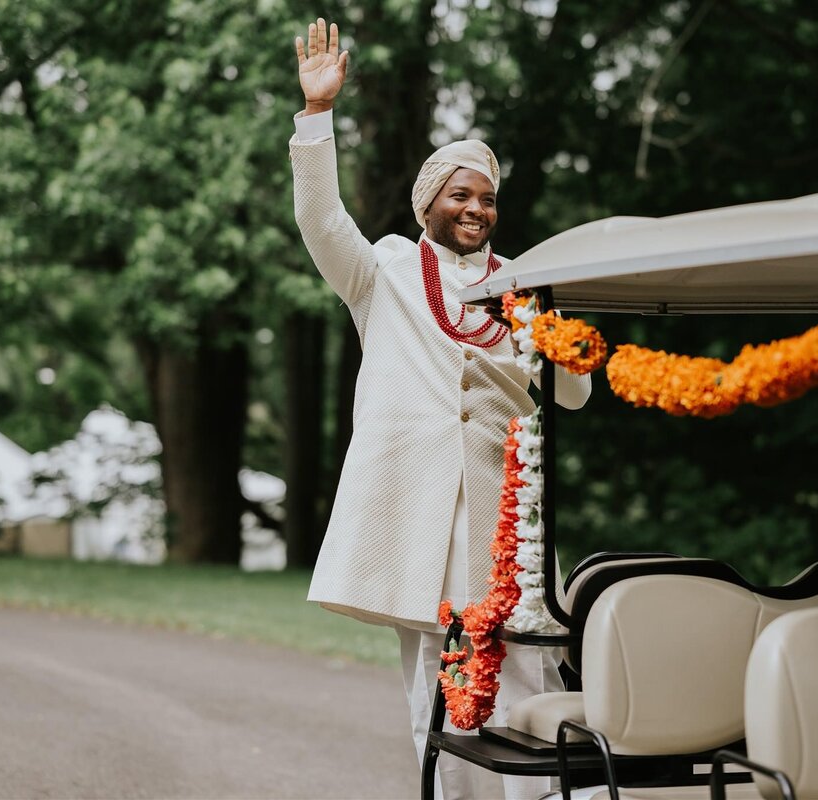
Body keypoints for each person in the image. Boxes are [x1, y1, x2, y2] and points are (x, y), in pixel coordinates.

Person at [290, 18, 591, 800]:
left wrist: (559, 334)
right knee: (439, 681)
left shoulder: (527, 281)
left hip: (506, 519)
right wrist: (317, 114)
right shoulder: (384, 271)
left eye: (487, 199)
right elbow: (323, 223)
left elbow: (574, 394)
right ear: (428, 203)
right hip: (417, 516)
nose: (476, 208)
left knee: (529, 665)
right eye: (460, 194)